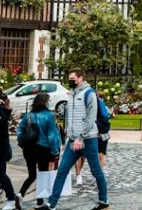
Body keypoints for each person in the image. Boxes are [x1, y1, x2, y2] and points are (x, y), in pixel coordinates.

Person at [36, 68, 108, 210]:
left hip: (88, 140)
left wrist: (81, 138)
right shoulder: (72, 94)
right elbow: (69, 116)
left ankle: (103, 201)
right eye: (69, 79)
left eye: (72, 79)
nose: (70, 81)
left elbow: (91, 117)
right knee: (62, 171)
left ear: (80, 78)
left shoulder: (89, 93)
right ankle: (51, 204)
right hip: (72, 140)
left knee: (96, 171)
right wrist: (68, 134)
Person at [17, 92, 61, 208]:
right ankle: (40, 202)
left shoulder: (28, 115)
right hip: (43, 149)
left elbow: (19, 130)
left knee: (31, 175)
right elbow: (51, 135)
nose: (49, 102)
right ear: (45, 102)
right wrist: (55, 151)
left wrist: (22, 144)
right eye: (48, 100)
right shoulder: (49, 115)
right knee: (42, 175)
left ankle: (20, 194)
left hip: (29, 149)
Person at [74, 91, 109, 186]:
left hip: (96, 133)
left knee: (84, 155)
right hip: (93, 133)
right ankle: (85, 176)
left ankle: (82, 176)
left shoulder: (100, 105)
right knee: (96, 155)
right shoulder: (101, 105)